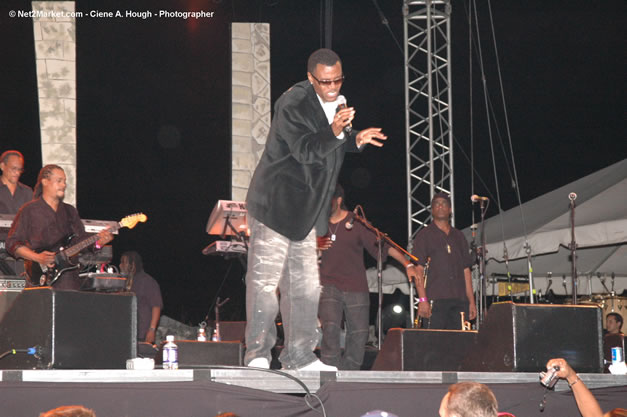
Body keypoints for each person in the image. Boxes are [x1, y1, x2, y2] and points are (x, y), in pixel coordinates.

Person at [244, 48, 388, 371]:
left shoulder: (337, 103)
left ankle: (299, 356)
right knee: (265, 283)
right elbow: (306, 150)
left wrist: (355, 139)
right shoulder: (292, 104)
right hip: (276, 205)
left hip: (306, 212)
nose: (333, 87)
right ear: (311, 79)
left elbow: (333, 145)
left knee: (306, 288)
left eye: (338, 80)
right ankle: (257, 355)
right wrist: (336, 130)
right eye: (325, 82)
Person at [318, 184, 418, 369]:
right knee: (330, 327)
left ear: (338, 200)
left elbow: (384, 246)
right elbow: (299, 247)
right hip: (328, 284)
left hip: (355, 285)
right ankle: (329, 371)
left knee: (359, 334)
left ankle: (349, 373)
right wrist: (315, 245)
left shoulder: (356, 223)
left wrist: (408, 264)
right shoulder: (318, 224)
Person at [6, 164, 113, 289]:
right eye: (59, 181)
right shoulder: (29, 210)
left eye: (64, 181)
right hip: (39, 276)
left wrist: (98, 243)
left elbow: (81, 241)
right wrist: (38, 257)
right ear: (45, 182)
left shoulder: (70, 211)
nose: (63, 185)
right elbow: (12, 243)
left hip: (68, 278)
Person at [411, 192, 477, 329]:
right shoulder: (424, 235)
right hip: (435, 300)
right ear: (432, 210)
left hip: (459, 301)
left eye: (444, 203)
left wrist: (471, 301)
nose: (440, 206)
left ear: (450, 209)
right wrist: (422, 300)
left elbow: (466, 271)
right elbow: (418, 270)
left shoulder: (459, 236)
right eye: (437, 204)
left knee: (459, 341)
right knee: (435, 341)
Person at [120, 250, 163, 344]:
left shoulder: (147, 281)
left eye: (123, 262)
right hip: (127, 332)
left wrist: (152, 330)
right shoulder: (126, 282)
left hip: (142, 333)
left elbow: (156, 306)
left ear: (132, 264)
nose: (120, 265)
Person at [0, 150, 32, 214]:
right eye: (13, 168)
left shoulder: (27, 192)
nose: (17, 173)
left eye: (20, 169)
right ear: (2, 166)